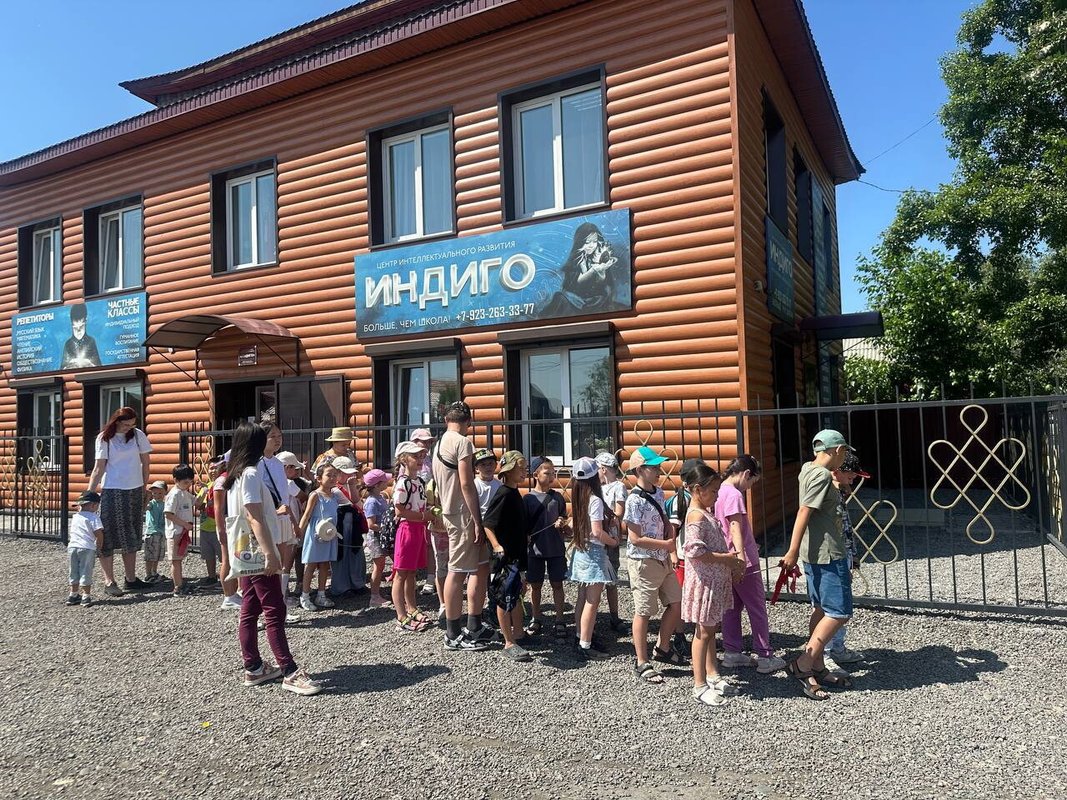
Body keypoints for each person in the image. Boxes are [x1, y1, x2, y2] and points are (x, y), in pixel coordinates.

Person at [223, 421, 322, 695]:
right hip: (259, 548)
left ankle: (253, 666)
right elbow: (254, 516)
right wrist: (270, 553)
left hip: (243, 548)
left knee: (250, 607)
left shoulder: (234, 474)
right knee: (274, 608)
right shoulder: (251, 474)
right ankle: (289, 670)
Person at [780, 430, 857, 701]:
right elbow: (804, 511)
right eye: (844, 451)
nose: (845, 457)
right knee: (839, 612)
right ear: (836, 450)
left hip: (815, 554)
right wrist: (791, 551)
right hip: (828, 554)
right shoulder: (822, 475)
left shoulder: (807, 469)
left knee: (822, 609)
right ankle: (803, 664)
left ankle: (818, 666)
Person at [715, 455, 787, 673]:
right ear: (746, 474)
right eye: (752, 482)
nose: (749, 487)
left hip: (726, 557)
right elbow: (735, 527)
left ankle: (732, 652)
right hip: (742, 559)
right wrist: (741, 557)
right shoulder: (734, 494)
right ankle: (765, 656)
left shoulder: (718, 491)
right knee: (756, 608)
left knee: (731, 608)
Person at [681, 463, 746, 705]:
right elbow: (694, 551)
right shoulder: (696, 515)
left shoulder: (704, 512)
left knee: (709, 629)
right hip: (705, 583)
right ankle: (699, 685)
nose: (717, 496)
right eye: (714, 491)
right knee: (704, 632)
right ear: (698, 489)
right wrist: (726, 559)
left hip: (713, 581)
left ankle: (712, 674)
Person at [431, 400, 493, 651]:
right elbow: (467, 483)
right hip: (462, 513)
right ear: (469, 421)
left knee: (480, 566)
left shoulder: (438, 444)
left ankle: (474, 624)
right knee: (457, 571)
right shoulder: (463, 442)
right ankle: (453, 633)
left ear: (446, 419)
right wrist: (477, 519)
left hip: (450, 510)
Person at [624, 446, 684, 684]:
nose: (659, 470)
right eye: (654, 467)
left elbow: (664, 520)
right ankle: (641, 661)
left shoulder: (658, 492)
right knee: (644, 611)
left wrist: (669, 538)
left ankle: (663, 646)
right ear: (640, 470)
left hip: (662, 559)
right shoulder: (633, 500)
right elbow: (634, 538)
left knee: (676, 603)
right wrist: (665, 544)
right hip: (643, 561)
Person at [87, 406, 152, 596]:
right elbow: (98, 468)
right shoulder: (104, 438)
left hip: (134, 490)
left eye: (132, 424)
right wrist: (89, 494)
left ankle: (131, 579)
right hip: (112, 490)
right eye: (125, 424)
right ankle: (109, 581)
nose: (128, 428)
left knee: (131, 534)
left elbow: (146, 463)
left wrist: (144, 486)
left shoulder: (138, 435)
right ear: (116, 421)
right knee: (106, 534)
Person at [483, 450, 532, 662]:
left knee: (517, 594)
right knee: (504, 598)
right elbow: (488, 524)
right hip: (505, 558)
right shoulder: (503, 494)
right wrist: (496, 545)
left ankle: (519, 633)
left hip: (518, 554)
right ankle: (508, 641)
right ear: (509, 470)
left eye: (525, 468)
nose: (524, 471)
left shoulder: (515, 493)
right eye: (520, 468)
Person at [567, 457, 617, 660]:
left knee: (582, 597)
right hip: (594, 553)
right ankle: (586, 645)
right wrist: (613, 541)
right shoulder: (595, 499)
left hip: (581, 551)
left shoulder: (579, 496)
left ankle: (580, 635)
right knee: (592, 601)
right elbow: (597, 531)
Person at [825, 452, 870, 666]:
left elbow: (846, 527)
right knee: (830, 607)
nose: (853, 481)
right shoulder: (826, 493)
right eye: (851, 476)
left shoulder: (840, 493)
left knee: (842, 604)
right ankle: (824, 653)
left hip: (843, 554)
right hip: (829, 556)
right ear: (837, 472)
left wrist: (853, 555)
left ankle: (837, 646)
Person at [523, 456, 570, 639]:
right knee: (535, 586)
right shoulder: (528, 499)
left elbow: (564, 517)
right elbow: (523, 525)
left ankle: (560, 619)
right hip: (534, 550)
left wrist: (562, 521)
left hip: (555, 548)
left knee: (557, 584)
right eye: (547, 473)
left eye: (553, 473)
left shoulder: (557, 497)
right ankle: (536, 618)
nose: (551, 476)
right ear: (536, 475)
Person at [392, 440, 434, 632]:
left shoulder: (420, 481)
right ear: (403, 459)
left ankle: (412, 608)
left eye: (421, 456)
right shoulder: (404, 482)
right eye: (414, 456)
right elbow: (399, 511)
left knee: (411, 572)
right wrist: (424, 516)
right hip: (407, 529)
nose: (419, 459)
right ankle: (401, 616)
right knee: (401, 573)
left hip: (418, 529)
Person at [542, 223, 620, 316]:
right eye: (587, 242)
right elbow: (578, 282)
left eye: (594, 241)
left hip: (595, 300)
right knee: (560, 299)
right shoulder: (576, 259)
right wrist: (593, 270)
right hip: (574, 300)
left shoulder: (599, 257)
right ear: (580, 242)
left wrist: (602, 270)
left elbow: (604, 284)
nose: (591, 245)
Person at [297, 463, 343, 611]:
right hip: (315, 534)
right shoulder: (315, 495)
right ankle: (305, 596)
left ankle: (321, 594)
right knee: (311, 564)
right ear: (319, 478)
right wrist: (299, 532)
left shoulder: (335, 495)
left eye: (335, 475)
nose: (332, 478)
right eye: (329, 475)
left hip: (329, 533)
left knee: (324, 564)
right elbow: (306, 515)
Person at [594, 451, 629, 633]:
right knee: (596, 579)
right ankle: (594, 615)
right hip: (597, 537)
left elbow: (619, 512)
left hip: (610, 538)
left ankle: (614, 616)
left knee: (612, 579)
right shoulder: (596, 488)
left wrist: (607, 518)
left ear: (603, 469)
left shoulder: (618, 487)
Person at [211, 455, 243, 611]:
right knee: (227, 560)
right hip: (226, 524)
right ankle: (228, 596)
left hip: (233, 523)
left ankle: (234, 592)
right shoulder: (222, 480)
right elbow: (218, 507)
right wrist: (221, 529)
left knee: (235, 558)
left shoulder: (231, 478)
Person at [333, 458, 369, 598]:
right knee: (341, 554)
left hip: (353, 522)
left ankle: (357, 583)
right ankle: (341, 587)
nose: (349, 475)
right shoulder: (332, 488)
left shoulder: (351, 485)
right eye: (345, 473)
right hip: (340, 523)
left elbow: (358, 504)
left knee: (355, 551)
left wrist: (352, 487)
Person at [274, 451, 307, 603]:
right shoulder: (288, 483)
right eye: (294, 468)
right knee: (287, 561)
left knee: (282, 559)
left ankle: (283, 591)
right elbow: (303, 496)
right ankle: (283, 595)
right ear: (287, 467)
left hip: (278, 524)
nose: (296, 471)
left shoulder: (273, 482)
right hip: (289, 524)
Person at [66, 491, 103, 607]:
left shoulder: (76, 517)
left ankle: (73, 594)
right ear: (94, 505)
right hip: (87, 547)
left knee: (74, 570)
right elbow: (99, 534)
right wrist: (99, 547)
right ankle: (86, 596)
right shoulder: (94, 517)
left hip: (72, 546)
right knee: (86, 571)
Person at [165, 464, 197, 597]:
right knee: (175, 560)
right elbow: (168, 514)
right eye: (185, 482)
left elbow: (197, 502)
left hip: (182, 532)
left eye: (190, 482)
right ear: (176, 480)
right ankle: (177, 587)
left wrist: (204, 490)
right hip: (175, 532)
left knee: (179, 558)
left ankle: (180, 583)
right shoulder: (174, 494)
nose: (188, 485)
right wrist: (184, 524)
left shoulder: (185, 493)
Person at [361, 468, 392, 608]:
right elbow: (371, 524)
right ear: (377, 485)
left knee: (382, 565)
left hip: (383, 536)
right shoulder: (371, 502)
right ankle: (374, 596)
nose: (387, 483)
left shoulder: (380, 498)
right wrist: (386, 528)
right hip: (376, 538)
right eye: (384, 481)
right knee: (378, 567)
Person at [195, 462, 223, 587]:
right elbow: (197, 504)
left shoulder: (222, 484)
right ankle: (211, 577)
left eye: (215, 468)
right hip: (205, 526)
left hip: (217, 526)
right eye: (211, 468)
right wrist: (204, 493)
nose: (213, 471)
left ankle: (225, 577)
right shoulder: (206, 486)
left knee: (223, 556)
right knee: (208, 555)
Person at [60, 303, 101, 369]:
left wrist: (90, 364)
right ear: (71, 325)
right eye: (75, 328)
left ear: (86, 322)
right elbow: (62, 369)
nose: (78, 331)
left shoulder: (91, 341)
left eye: (81, 327)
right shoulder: (68, 344)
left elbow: (99, 367)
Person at [143, 480, 167, 584]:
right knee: (150, 555)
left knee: (157, 555)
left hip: (161, 532)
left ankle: (154, 571)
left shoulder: (165, 504)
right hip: (151, 532)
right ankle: (148, 574)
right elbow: (145, 508)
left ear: (165, 492)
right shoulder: (152, 503)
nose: (157, 495)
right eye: (155, 493)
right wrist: (147, 498)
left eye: (160, 493)